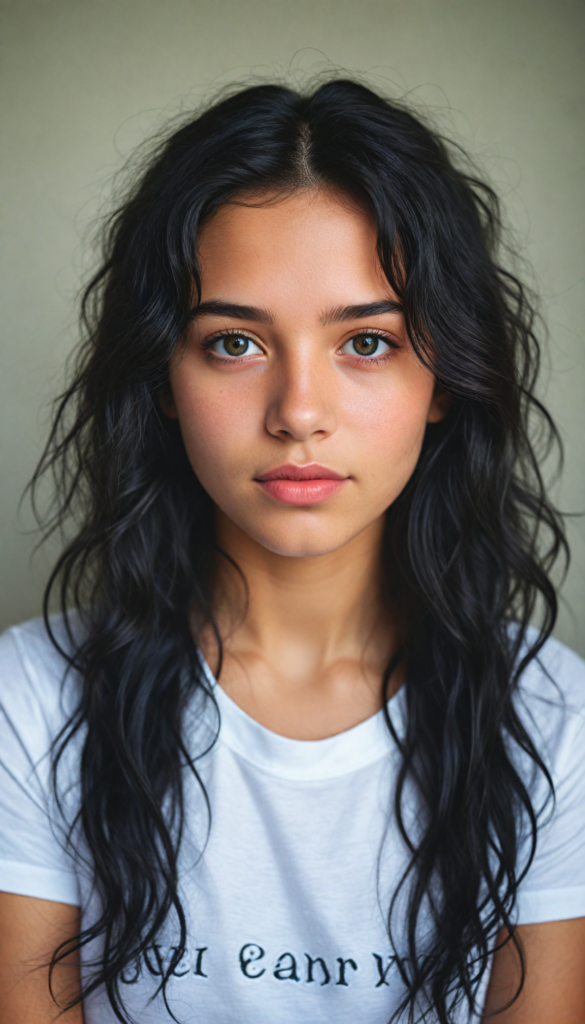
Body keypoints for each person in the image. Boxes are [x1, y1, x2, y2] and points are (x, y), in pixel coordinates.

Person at [0, 79, 584, 1024]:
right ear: (161, 376)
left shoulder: (556, 725)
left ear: (444, 378)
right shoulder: (26, 705)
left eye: (366, 341)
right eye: (233, 342)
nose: (298, 412)